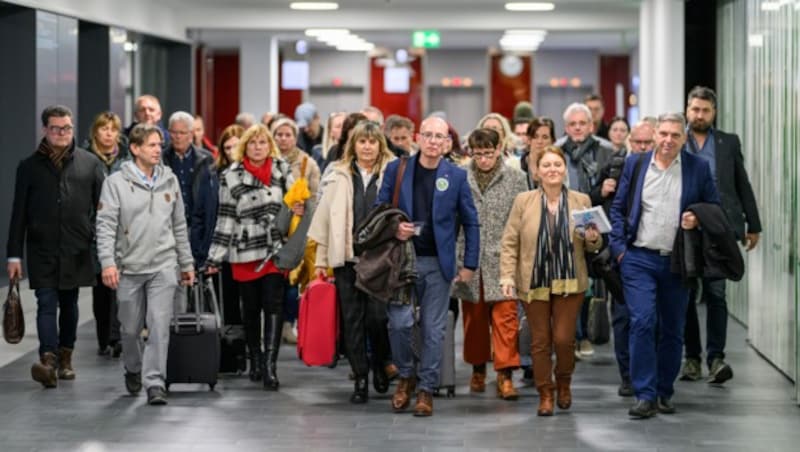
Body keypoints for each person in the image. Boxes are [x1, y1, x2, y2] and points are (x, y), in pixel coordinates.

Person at [609, 113, 720, 419]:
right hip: (638, 258)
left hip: (677, 261)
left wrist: (697, 217)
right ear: (655, 134)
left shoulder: (698, 168)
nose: (669, 140)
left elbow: (715, 207)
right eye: (664, 134)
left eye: (675, 135)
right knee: (642, 321)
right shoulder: (636, 164)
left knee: (672, 329)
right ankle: (644, 394)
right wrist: (620, 251)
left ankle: (663, 391)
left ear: (684, 138)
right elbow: (618, 208)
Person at [377, 116, 480, 417]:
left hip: (438, 264)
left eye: (441, 136)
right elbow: (380, 210)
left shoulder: (457, 176)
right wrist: (395, 228)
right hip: (400, 261)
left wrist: (470, 264)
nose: (434, 141)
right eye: (429, 135)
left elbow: (471, 222)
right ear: (418, 138)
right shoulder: (397, 169)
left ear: (447, 143)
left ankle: (426, 389)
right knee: (399, 324)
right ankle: (406, 376)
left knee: (434, 330)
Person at [96, 123, 195, 406]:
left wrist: (185, 263)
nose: (158, 149)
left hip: (164, 265)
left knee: (159, 325)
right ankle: (133, 367)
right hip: (128, 267)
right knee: (129, 329)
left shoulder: (169, 179)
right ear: (135, 149)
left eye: (158, 144)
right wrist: (107, 263)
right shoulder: (115, 183)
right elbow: (104, 226)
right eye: (151, 145)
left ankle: (154, 383)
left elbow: (179, 225)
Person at [7, 105, 105, 388]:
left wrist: (102, 243)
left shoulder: (90, 164)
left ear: (73, 129)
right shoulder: (29, 167)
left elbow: (104, 208)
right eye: (56, 128)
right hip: (42, 248)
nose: (62, 133)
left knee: (70, 304)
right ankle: (47, 359)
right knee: (46, 303)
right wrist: (13, 254)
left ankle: (66, 357)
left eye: (67, 128)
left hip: (77, 248)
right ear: (45, 130)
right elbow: (19, 213)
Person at [499, 146, 602, 416]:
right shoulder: (524, 201)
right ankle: (545, 393)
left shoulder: (582, 200)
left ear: (565, 169)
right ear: (537, 171)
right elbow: (510, 241)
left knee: (564, 339)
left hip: (570, 281)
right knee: (540, 341)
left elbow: (594, 245)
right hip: (533, 281)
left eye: (557, 164)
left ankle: (564, 382)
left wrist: (593, 238)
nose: (552, 169)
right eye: (547, 165)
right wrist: (507, 275)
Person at [308, 121, 396, 403]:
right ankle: (360, 379)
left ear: (380, 144)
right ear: (353, 145)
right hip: (346, 257)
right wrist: (321, 260)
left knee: (378, 317)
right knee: (352, 321)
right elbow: (323, 219)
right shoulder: (338, 174)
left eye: (372, 142)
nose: (368, 147)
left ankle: (382, 363)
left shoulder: (392, 172)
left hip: (380, 258)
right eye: (362, 142)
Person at [680, 86, 762, 384]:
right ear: (687, 109)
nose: (699, 115)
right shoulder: (676, 139)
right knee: (687, 294)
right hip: (686, 228)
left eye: (705, 110)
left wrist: (753, 224)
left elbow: (741, 183)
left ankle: (716, 359)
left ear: (714, 112)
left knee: (716, 294)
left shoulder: (727, 142)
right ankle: (691, 358)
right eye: (695, 109)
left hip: (719, 228)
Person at [205, 124, 296, 390]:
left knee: (274, 305)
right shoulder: (231, 176)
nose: (258, 147)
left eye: (263, 142)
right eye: (253, 142)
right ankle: (255, 357)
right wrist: (214, 257)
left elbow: (295, 205)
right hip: (244, 249)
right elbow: (225, 218)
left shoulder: (282, 170)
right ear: (245, 146)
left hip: (275, 248)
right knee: (251, 307)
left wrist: (297, 210)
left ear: (270, 145)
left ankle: (270, 365)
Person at [458, 128, 527, 401]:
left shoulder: (516, 178)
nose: (484, 159)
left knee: (506, 317)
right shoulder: (460, 176)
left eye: (488, 153)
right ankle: (477, 368)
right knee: (473, 319)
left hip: (503, 257)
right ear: (470, 152)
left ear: (499, 149)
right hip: (469, 257)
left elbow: (522, 219)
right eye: (478, 154)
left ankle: (506, 374)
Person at [589, 119, 654, 397]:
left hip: (653, 252)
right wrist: (602, 191)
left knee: (651, 320)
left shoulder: (664, 170)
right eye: (636, 142)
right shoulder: (616, 164)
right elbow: (590, 199)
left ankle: (651, 375)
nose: (640, 147)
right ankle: (628, 375)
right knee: (623, 317)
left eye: (646, 142)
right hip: (621, 253)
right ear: (628, 141)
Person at [556, 102, 615, 358]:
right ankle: (574, 336)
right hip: (563, 223)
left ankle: (590, 333)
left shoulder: (606, 150)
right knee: (569, 283)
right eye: (573, 124)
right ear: (566, 127)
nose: (578, 128)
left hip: (597, 222)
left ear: (591, 125)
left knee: (592, 282)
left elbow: (611, 190)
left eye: (583, 123)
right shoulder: (557, 150)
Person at [84, 111, 130, 358]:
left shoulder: (127, 159)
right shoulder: (84, 158)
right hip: (93, 230)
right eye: (104, 128)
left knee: (119, 286)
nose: (109, 133)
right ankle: (104, 336)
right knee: (100, 289)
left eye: (113, 129)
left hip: (122, 230)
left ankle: (116, 336)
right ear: (95, 132)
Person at [161, 111, 218, 270]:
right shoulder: (161, 159)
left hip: (196, 225)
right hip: (168, 226)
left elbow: (211, 200)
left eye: (182, 132)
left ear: (191, 134)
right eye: (173, 132)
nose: (177, 136)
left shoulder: (206, 159)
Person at [213, 125, 246, 327]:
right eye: (227, 148)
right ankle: (234, 347)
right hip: (226, 247)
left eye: (236, 146)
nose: (232, 152)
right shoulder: (215, 175)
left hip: (251, 246)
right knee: (229, 302)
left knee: (251, 303)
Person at [521, 117, 556, 190]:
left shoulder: (558, 167)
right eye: (535, 137)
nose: (539, 141)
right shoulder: (515, 165)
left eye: (545, 137)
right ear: (528, 140)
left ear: (552, 141)